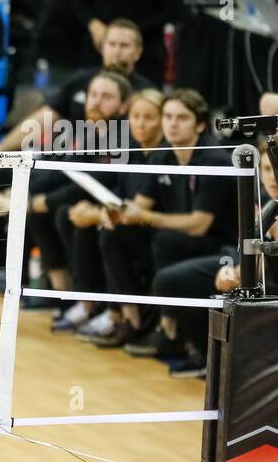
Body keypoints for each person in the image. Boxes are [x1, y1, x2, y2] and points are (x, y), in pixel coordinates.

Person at [104, 89, 234, 363]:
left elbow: (199, 225)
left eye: (182, 118)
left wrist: (146, 217)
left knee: (166, 240)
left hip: (221, 245)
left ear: (199, 124)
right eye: (168, 117)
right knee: (115, 235)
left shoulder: (214, 159)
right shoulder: (163, 156)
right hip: (179, 238)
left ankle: (170, 329)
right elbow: (139, 205)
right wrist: (116, 213)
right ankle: (131, 318)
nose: (172, 124)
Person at [23, 71, 131, 335]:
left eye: (106, 97)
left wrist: (43, 201)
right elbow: (64, 172)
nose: (96, 102)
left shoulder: (123, 135)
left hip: (123, 209)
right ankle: (69, 297)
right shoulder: (86, 132)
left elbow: (97, 181)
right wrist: (22, 195)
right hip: (92, 202)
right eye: (93, 95)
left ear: (123, 104)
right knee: (50, 211)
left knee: (69, 214)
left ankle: (102, 306)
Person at [53, 87, 163, 342]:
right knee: (73, 217)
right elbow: (119, 196)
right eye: (136, 117)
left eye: (149, 117)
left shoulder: (161, 155)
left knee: (111, 233)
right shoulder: (133, 153)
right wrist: (95, 211)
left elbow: (137, 209)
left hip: (154, 231)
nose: (140, 124)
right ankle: (92, 303)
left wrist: (96, 214)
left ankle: (124, 317)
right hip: (134, 224)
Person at [158, 150, 278, 379]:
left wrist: (241, 273)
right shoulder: (262, 199)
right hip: (241, 262)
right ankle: (209, 360)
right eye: (266, 169)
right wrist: (235, 270)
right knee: (171, 280)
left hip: (267, 288)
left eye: (276, 167)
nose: (272, 176)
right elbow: (249, 250)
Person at [0, 19, 150, 152]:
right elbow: (42, 119)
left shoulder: (146, 93)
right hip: (68, 157)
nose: (117, 51)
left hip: (113, 163)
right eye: (112, 44)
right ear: (101, 47)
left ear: (137, 52)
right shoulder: (81, 80)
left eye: (124, 46)